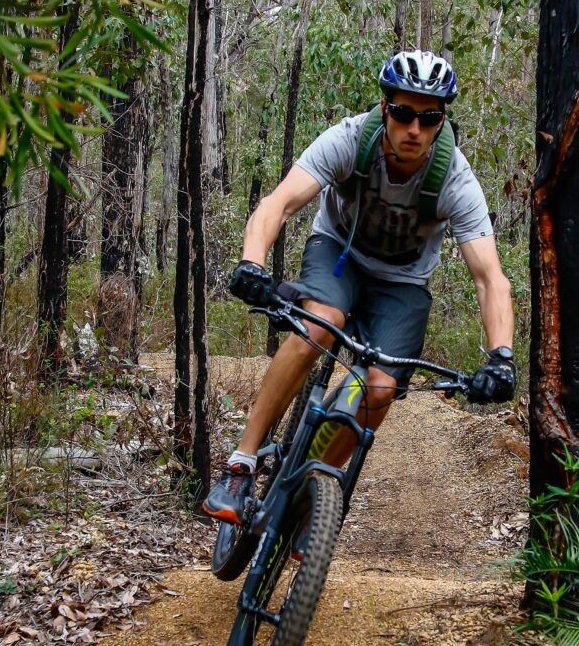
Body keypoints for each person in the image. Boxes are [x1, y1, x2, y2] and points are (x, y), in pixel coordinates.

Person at [203, 50, 516, 525]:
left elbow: (489, 277)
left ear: (442, 120)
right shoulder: (349, 140)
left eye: (429, 118)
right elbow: (278, 203)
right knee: (318, 326)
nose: (415, 129)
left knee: (382, 387)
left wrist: (502, 356)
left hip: (403, 282)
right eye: (403, 113)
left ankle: (311, 494)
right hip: (339, 254)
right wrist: (252, 262)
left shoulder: (455, 179)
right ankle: (241, 464)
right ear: (385, 107)